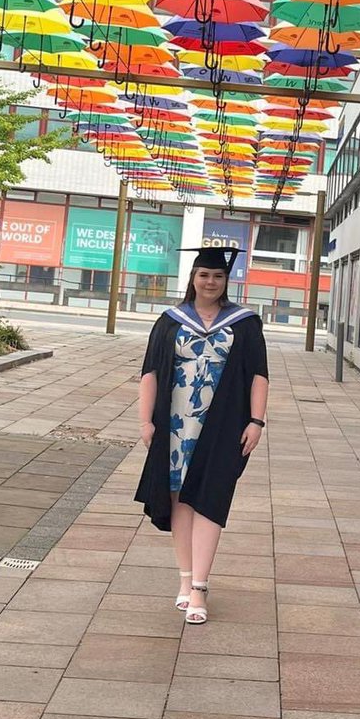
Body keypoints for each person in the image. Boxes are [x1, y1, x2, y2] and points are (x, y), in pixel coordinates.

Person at [134, 247, 269, 625]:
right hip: (176, 426)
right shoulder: (170, 321)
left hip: (224, 425)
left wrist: (256, 421)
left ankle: (200, 588)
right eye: (204, 275)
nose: (211, 282)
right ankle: (184, 579)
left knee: (210, 500)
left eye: (218, 276)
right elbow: (150, 373)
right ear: (193, 278)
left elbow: (259, 375)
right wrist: (146, 422)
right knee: (179, 499)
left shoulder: (244, 323)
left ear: (227, 280)